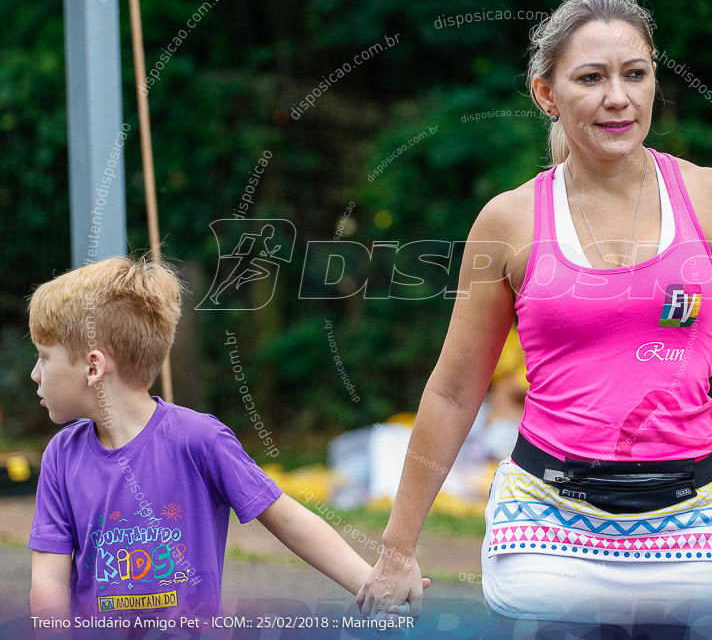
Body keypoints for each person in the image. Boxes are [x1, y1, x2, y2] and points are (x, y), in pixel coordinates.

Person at [358, 0, 712, 625]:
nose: (618, 98)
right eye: (591, 77)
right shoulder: (508, 221)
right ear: (546, 93)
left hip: (693, 512)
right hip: (546, 518)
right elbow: (455, 390)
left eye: (635, 74)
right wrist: (398, 548)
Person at [26, 256, 427, 635]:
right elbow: (48, 579)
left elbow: (286, 518)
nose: (34, 373)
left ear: (93, 367)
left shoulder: (199, 439)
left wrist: (368, 583)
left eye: (44, 357)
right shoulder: (61, 457)